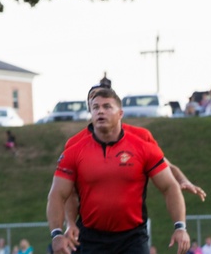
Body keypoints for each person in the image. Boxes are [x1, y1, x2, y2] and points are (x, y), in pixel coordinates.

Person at [46, 86, 190, 254]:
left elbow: (169, 186)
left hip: (132, 238)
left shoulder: (142, 146)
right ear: (90, 113)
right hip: (91, 238)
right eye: (96, 107)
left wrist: (180, 226)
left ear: (120, 113)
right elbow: (58, 194)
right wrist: (57, 233)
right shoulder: (74, 151)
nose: (100, 111)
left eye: (107, 107)